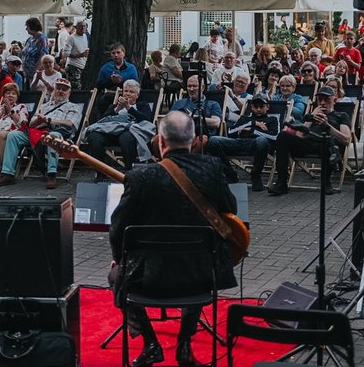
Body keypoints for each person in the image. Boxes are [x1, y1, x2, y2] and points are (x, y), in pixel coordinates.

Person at [109, 111, 237, 367]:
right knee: (199, 260)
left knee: (116, 275)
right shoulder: (212, 169)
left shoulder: (140, 177)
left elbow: (118, 227)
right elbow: (230, 209)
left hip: (146, 279)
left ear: (160, 141)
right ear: (194, 141)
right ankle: (184, 345)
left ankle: (150, 343)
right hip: (199, 278)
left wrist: (118, 259)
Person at [0, 78, 83, 189]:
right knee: (13, 135)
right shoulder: (44, 106)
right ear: (54, 90)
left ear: (69, 92)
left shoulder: (74, 107)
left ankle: (51, 174)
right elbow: (31, 124)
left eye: (64, 89)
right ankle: (8, 173)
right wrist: (38, 120)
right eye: (58, 88)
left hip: (57, 133)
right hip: (38, 132)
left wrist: (48, 120)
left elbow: (70, 123)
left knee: (53, 137)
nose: (60, 91)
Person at [269, 85, 351, 196]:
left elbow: (346, 139)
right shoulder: (311, 115)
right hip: (308, 142)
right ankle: (281, 182)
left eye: (326, 99)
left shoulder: (341, 115)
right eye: (320, 99)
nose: (322, 102)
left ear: (334, 100)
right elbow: (301, 134)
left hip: (327, 145)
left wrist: (327, 126)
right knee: (283, 136)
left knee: (328, 140)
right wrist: (311, 117)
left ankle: (326, 182)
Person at [207, 93, 279, 189]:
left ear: (267, 107)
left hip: (256, 145)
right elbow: (230, 131)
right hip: (239, 142)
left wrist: (251, 130)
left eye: (261, 106)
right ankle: (230, 174)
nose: (258, 109)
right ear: (251, 107)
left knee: (261, 140)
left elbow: (274, 137)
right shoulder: (244, 118)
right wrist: (254, 123)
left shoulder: (272, 119)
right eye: (255, 106)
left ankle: (255, 176)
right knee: (213, 140)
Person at [84, 80, 154, 175]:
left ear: (137, 95)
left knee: (125, 137)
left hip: (130, 132)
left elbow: (146, 120)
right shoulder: (114, 107)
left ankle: (128, 170)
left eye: (131, 92)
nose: (128, 94)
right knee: (94, 136)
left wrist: (128, 107)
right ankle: (100, 171)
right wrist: (117, 109)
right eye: (126, 91)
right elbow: (102, 121)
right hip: (111, 133)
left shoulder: (142, 105)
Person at [21, 17, 50, 85]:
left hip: (35, 74)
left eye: (27, 26)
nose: (26, 29)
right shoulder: (29, 39)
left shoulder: (42, 39)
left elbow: (43, 55)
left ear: (32, 26)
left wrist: (36, 71)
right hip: (27, 74)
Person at [63, 20, 90, 89]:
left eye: (84, 26)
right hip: (73, 67)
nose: (83, 28)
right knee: (76, 88)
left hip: (83, 66)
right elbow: (66, 53)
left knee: (82, 87)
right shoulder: (71, 38)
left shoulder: (85, 36)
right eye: (80, 26)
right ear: (76, 27)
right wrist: (80, 55)